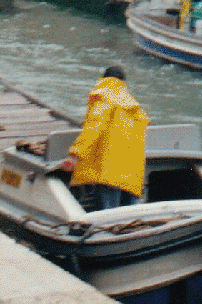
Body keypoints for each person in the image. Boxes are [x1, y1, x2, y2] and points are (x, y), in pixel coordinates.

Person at [60, 65, 149, 210]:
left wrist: (75, 156)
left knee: (107, 214)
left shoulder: (104, 99)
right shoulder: (135, 108)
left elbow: (92, 129)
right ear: (123, 83)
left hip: (110, 173)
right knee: (128, 216)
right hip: (132, 178)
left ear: (103, 79)